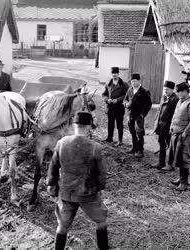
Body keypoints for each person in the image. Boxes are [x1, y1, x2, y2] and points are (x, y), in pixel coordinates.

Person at [46, 111, 108, 250]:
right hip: (89, 194)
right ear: (89, 127)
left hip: (66, 193)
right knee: (101, 222)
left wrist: (51, 184)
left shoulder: (61, 143)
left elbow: (53, 167)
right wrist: (99, 188)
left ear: (74, 125)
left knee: (62, 226)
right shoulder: (95, 147)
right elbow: (102, 175)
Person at [168, 82, 190, 191]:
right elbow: (174, 116)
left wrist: (185, 133)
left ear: (185, 91)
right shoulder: (180, 101)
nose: (178, 94)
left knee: (184, 158)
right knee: (178, 157)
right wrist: (171, 127)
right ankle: (181, 178)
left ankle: (184, 183)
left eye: (180, 91)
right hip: (176, 134)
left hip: (185, 136)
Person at [124, 73, 152, 158]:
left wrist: (143, 114)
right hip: (130, 115)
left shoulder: (144, 91)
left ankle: (140, 150)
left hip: (139, 116)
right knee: (132, 132)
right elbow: (125, 99)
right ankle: (134, 148)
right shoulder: (130, 90)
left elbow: (148, 104)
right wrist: (126, 104)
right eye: (132, 81)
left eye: (135, 81)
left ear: (139, 81)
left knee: (139, 133)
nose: (133, 83)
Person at [152, 81, 179, 170]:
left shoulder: (175, 99)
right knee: (161, 143)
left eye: (167, 89)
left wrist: (172, 127)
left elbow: (176, 115)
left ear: (172, 89)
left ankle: (170, 165)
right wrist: (156, 121)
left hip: (169, 126)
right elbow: (159, 110)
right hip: (161, 125)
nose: (165, 91)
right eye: (164, 89)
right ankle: (161, 162)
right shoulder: (163, 97)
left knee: (171, 146)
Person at [102, 67, 129, 145]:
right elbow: (104, 94)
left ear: (118, 74)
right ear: (111, 74)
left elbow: (126, 95)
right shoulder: (108, 84)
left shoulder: (124, 84)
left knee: (119, 124)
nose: (114, 75)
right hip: (110, 107)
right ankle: (109, 138)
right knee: (110, 123)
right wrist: (107, 99)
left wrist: (118, 100)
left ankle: (120, 140)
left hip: (119, 108)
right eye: (113, 73)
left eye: (116, 73)